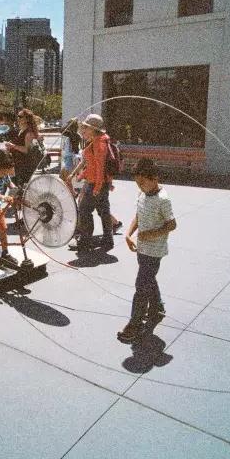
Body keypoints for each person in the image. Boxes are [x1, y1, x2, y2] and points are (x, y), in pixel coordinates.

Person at [118, 158, 176, 343]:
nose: (140, 186)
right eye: (137, 183)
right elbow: (138, 215)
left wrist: (151, 234)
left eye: (143, 183)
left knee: (141, 285)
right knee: (148, 278)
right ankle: (157, 306)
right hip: (142, 249)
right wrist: (128, 234)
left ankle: (134, 323)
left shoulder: (163, 199)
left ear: (155, 178)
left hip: (155, 250)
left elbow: (172, 224)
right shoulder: (142, 195)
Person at [64, 114, 114, 252]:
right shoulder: (98, 141)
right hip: (98, 183)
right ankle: (108, 240)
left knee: (84, 211)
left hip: (95, 184)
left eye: (86, 127)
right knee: (104, 212)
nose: (83, 130)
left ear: (93, 129)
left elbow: (100, 167)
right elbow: (91, 165)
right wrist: (80, 175)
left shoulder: (99, 144)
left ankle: (86, 240)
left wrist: (97, 187)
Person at [5, 108, 43, 188]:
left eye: (20, 116)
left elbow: (26, 150)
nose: (18, 118)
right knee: (15, 187)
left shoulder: (28, 133)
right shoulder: (22, 130)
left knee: (19, 188)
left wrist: (12, 146)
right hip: (18, 163)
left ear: (26, 119)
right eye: (18, 116)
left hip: (24, 166)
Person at [59, 118, 80, 195]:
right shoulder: (75, 135)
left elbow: (61, 130)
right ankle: (68, 192)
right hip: (68, 158)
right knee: (62, 177)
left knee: (66, 178)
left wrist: (68, 124)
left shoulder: (73, 135)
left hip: (70, 158)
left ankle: (73, 193)